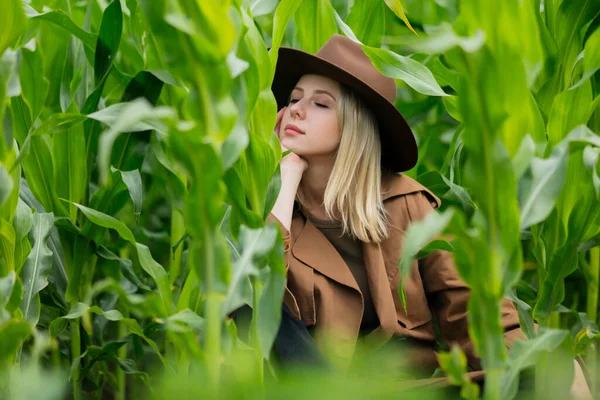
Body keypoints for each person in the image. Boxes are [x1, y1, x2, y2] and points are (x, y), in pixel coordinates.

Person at [264, 34, 591, 397]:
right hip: (325, 389)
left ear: (354, 126)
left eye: (320, 104)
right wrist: (287, 177)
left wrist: (531, 366)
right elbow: (258, 296)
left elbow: (472, 309)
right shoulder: (272, 209)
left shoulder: (407, 205)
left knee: (556, 369)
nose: (295, 109)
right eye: (293, 99)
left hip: (413, 389)